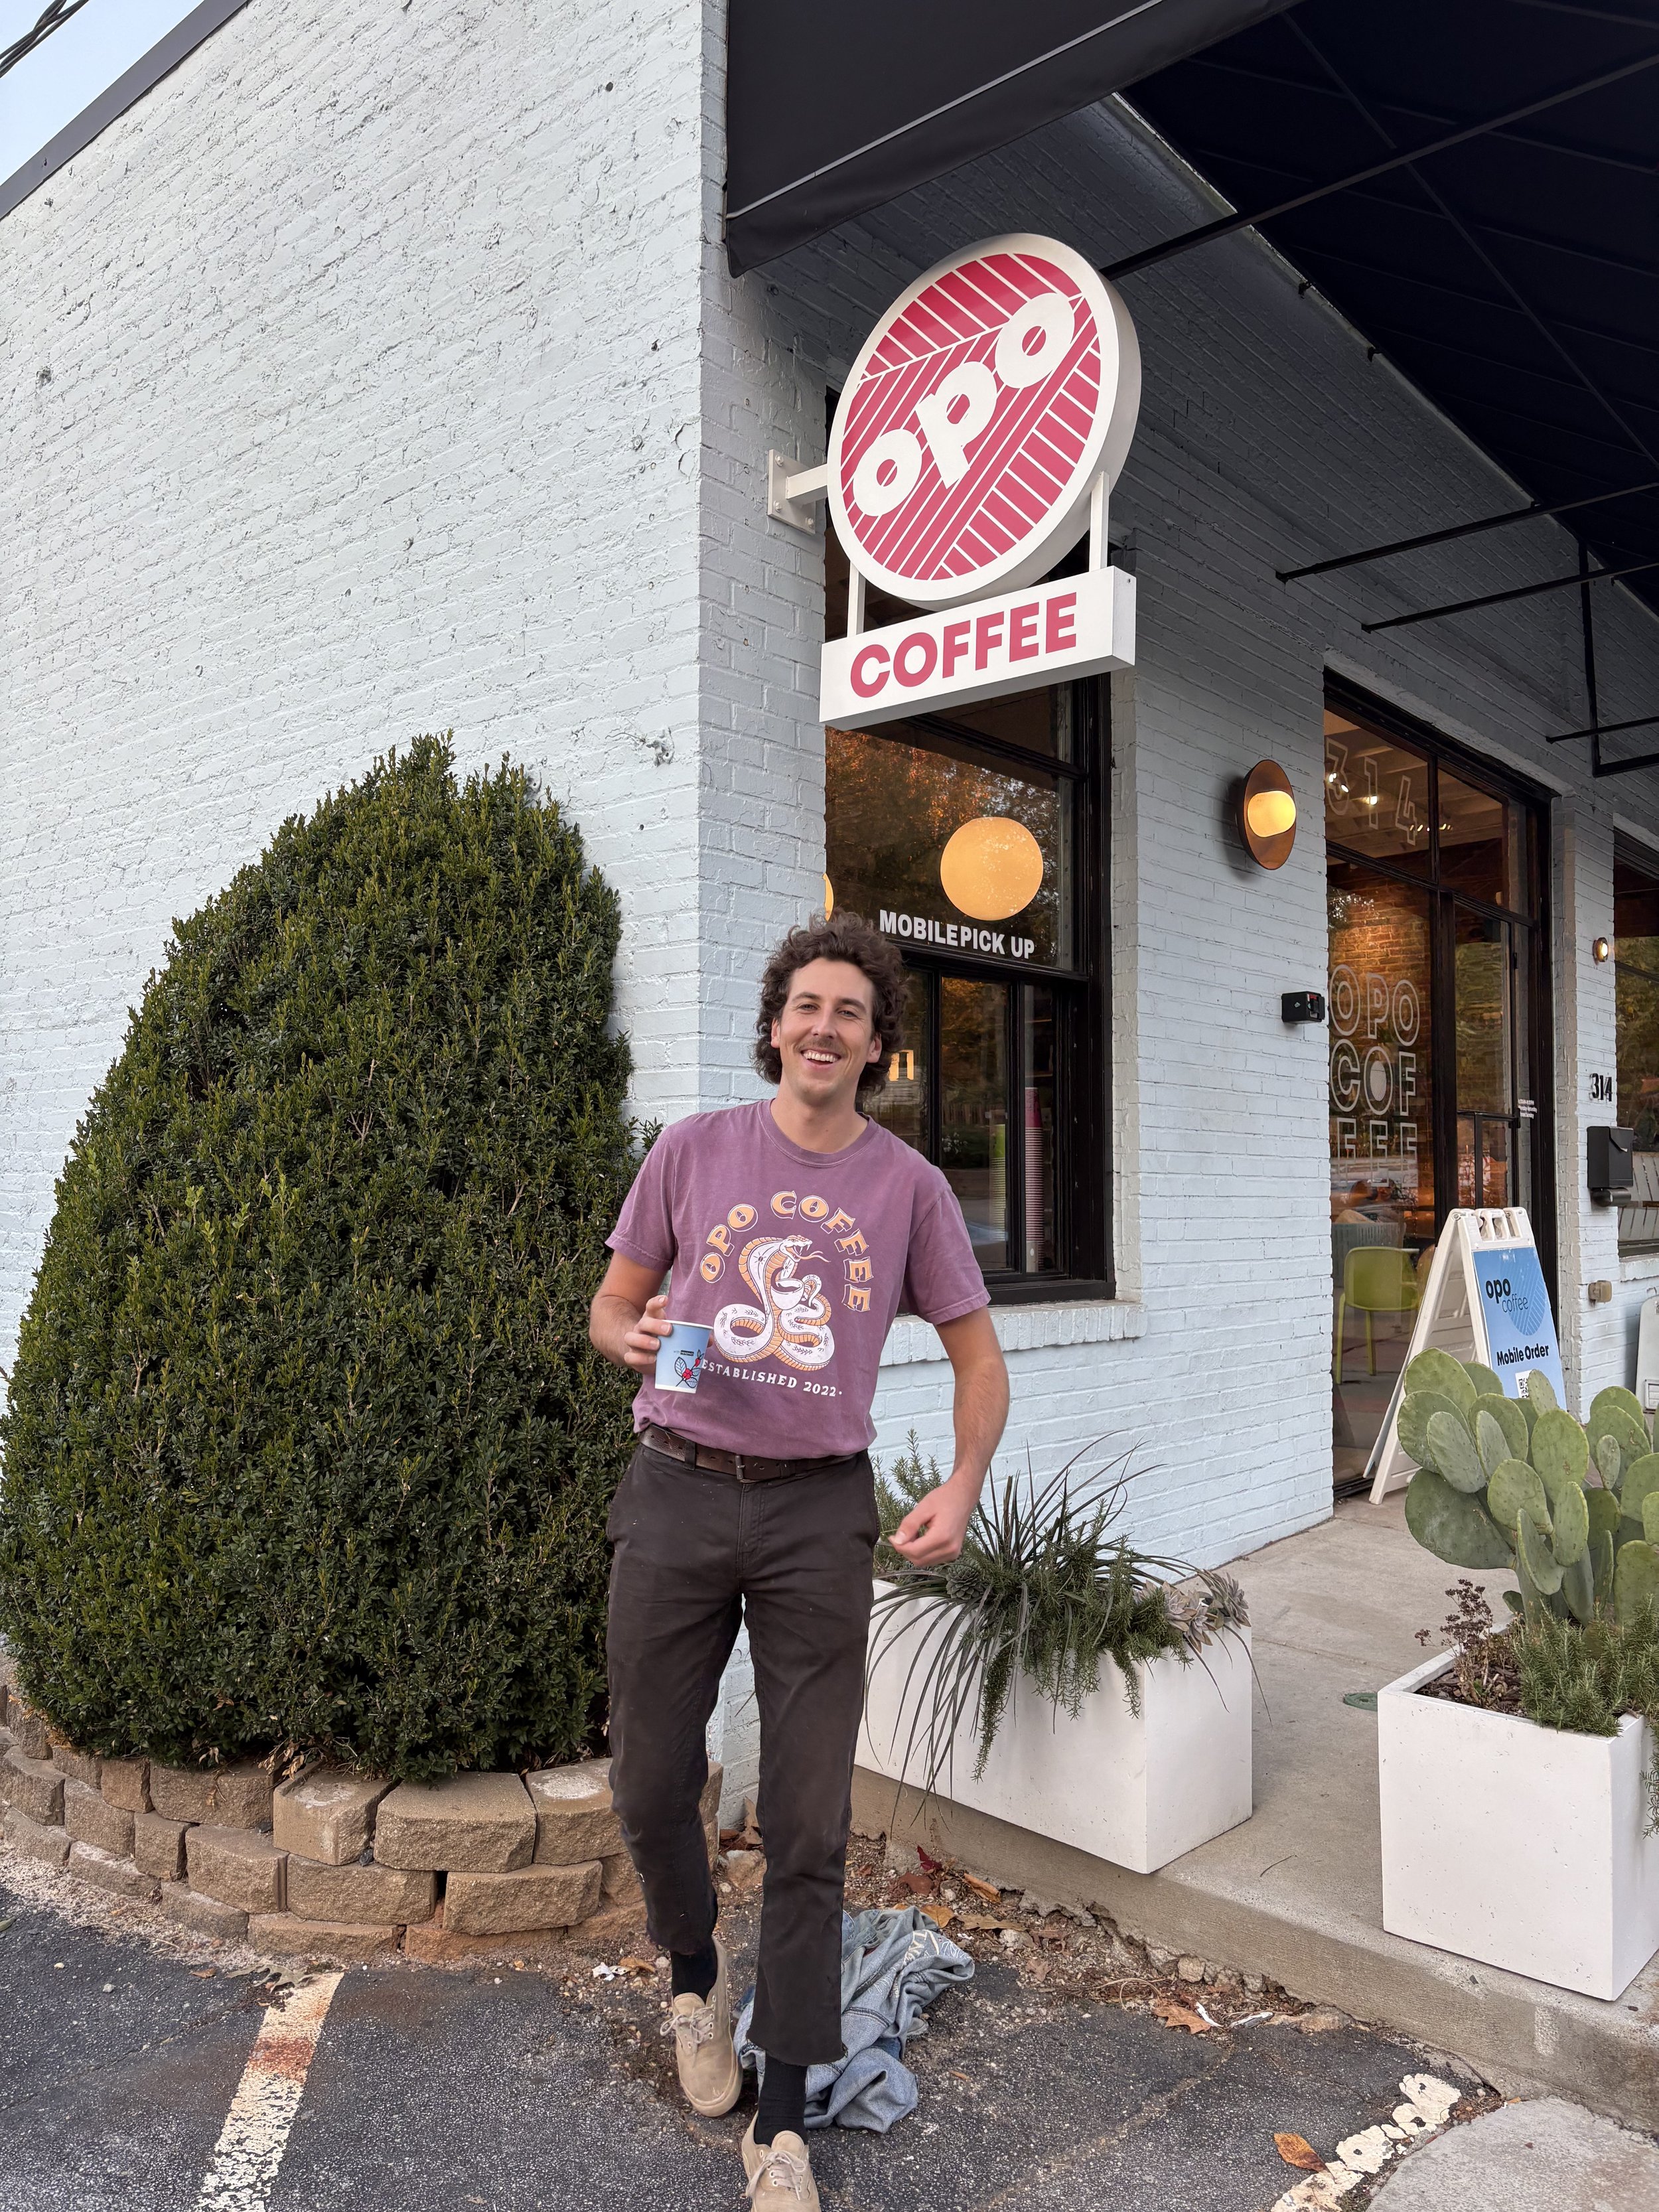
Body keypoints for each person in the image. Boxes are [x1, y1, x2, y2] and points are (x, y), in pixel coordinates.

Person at [589, 913, 1010, 2208]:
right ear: (773, 1022)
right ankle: (691, 1975)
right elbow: (615, 1303)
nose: (823, 1026)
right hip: (672, 1491)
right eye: (804, 1004)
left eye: (849, 1012)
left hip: (814, 1512)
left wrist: (959, 1479)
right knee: (652, 1777)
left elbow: (975, 1354)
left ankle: (780, 2119)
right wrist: (632, 1330)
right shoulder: (692, 1149)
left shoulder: (907, 1187)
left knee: (811, 1816)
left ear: (876, 1044)